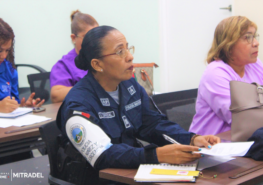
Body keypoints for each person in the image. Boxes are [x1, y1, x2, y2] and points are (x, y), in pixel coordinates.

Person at [57, 26, 220, 177]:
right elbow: (103, 154)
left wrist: (190, 139)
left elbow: (152, 123)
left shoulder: (130, 86)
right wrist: (156, 155)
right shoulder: (78, 103)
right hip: (97, 178)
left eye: (128, 48)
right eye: (120, 52)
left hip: (132, 171)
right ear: (97, 64)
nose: (130, 56)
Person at [189, 16, 262, 135]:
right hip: (214, 148)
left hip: (247, 142)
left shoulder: (254, 64)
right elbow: (242, 120)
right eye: (248, 37)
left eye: (254, 36)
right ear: (229, 44)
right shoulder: (215, 73)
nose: (256, 43)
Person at [50, 10, 99, 103]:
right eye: (87, 37)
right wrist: (91, 89)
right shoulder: (64, 65)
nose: (93, 42)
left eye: (96, 37)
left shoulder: (103, 58)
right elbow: (56, 95)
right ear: (74, 38)